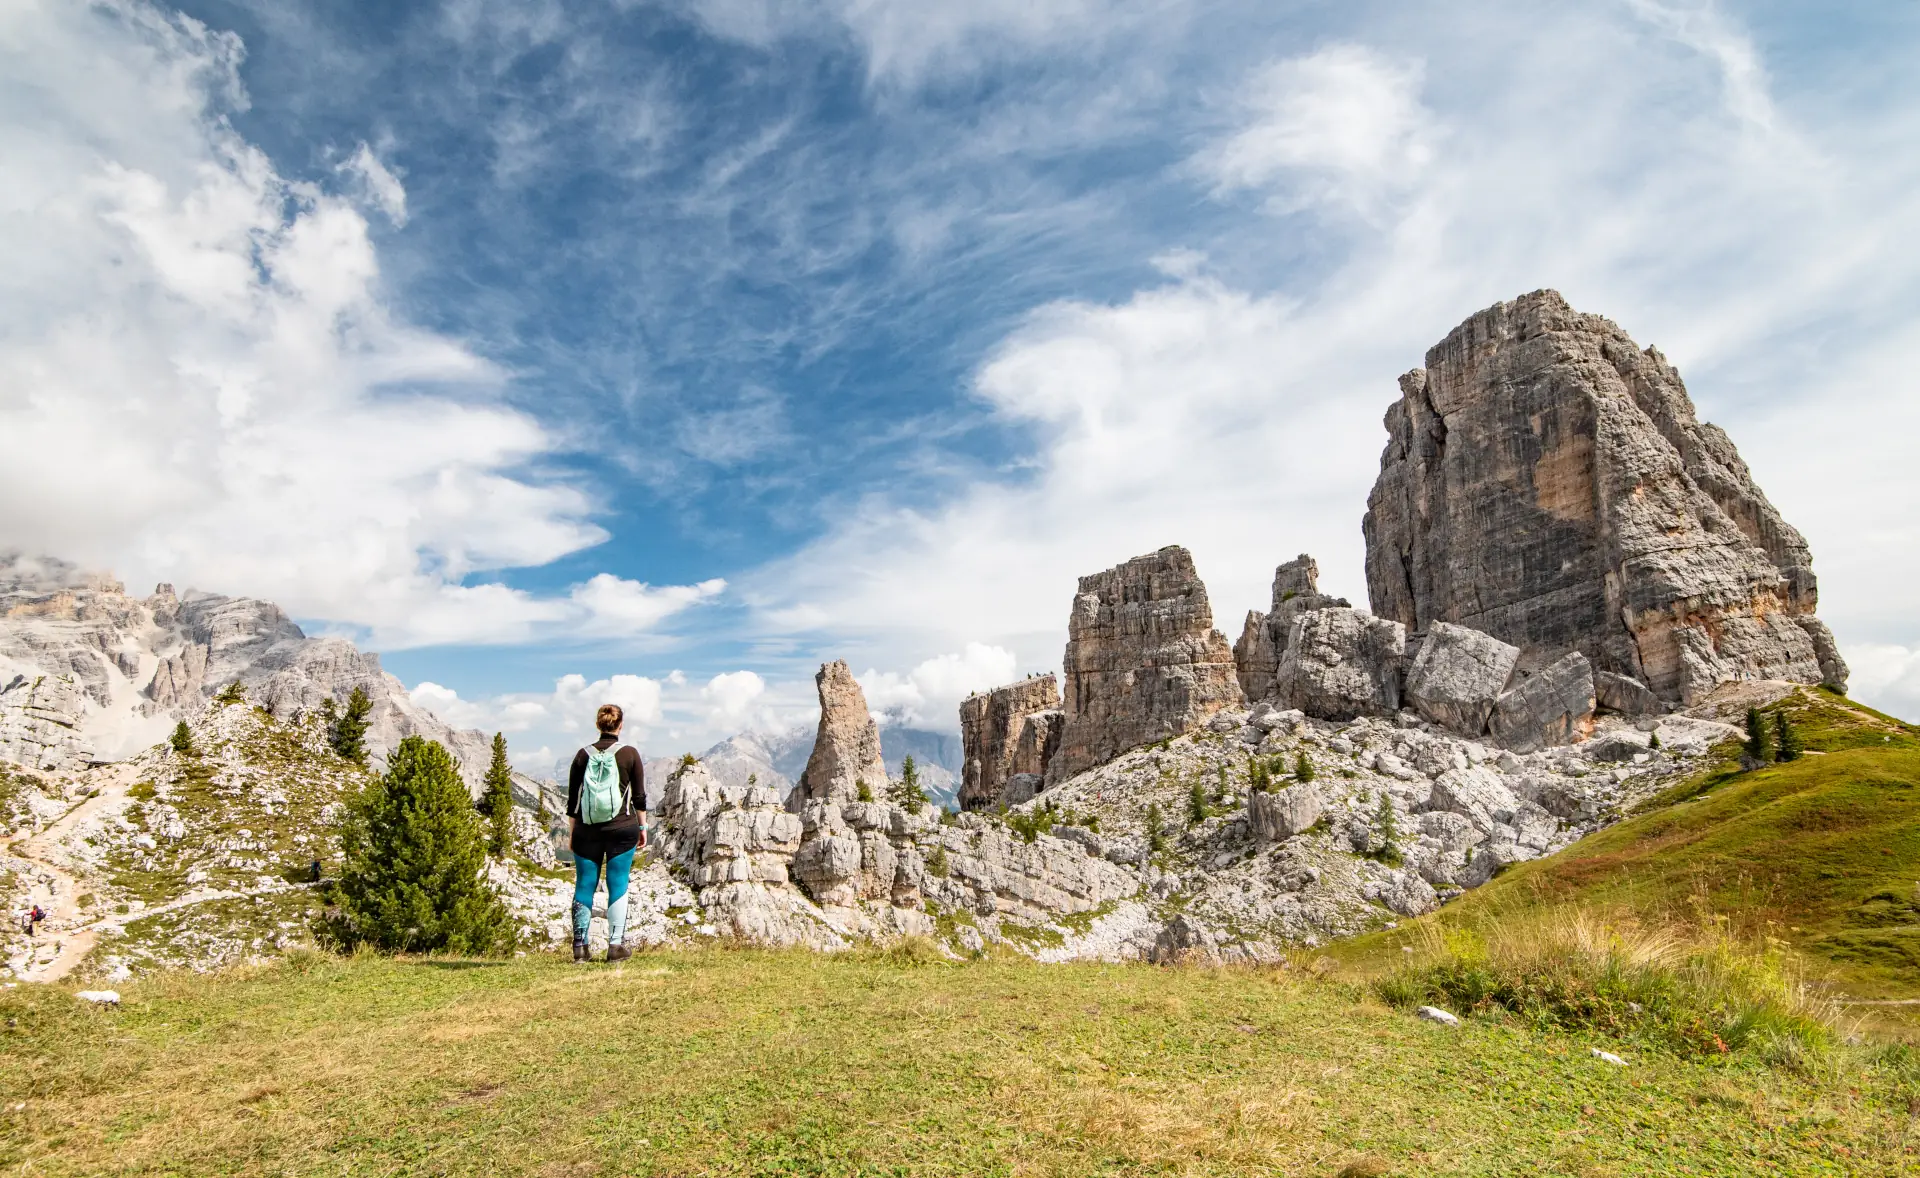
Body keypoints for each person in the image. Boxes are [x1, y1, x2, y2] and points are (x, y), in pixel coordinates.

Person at [567, 703, 646, 963]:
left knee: (584, 884)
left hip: (586, 830)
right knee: (618, 883)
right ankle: (615, 946)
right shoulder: (630, 754)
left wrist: (572, 832)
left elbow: (573, 801)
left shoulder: (582, 755)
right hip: (622, 829)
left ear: (597, 725)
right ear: (620, 725)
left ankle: (580, 948)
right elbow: (639, 797)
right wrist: (642, 827)